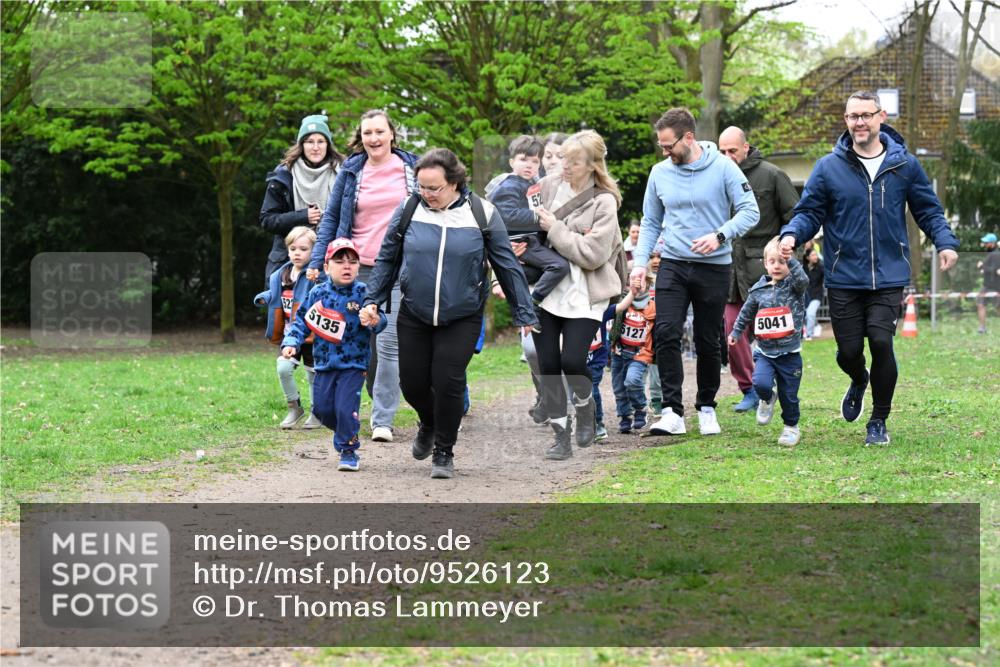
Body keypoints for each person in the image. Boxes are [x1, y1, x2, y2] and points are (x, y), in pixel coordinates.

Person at [779, 90, 959, 446]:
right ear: (845, 121)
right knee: (848, 352)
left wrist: (946, 242)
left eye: (865, 115)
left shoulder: (904, 164)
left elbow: (928, 210)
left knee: (880, 341)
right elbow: (809, 211)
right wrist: (791, 235)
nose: (858, 122)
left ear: (881, 117)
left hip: (890, 272)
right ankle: (859, 378)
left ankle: (878, 420)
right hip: (845, 275)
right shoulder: (828, 167)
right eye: (852, 117)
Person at [361, 148, 536, 479]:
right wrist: (373, 299)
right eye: (422, 187)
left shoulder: (483, 213)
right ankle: (428, 421)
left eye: (434, 188)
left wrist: (524, 312)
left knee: (448, 380)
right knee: (411, 383)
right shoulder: (410, 209)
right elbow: (387, 258)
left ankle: (444, 451)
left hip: (462, 314)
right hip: (415, 311)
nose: (427, 195)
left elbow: (507, 265)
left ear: (455, 182)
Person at [631, 107, 760, 437]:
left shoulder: (723, 168)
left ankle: (706, 407)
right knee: (666, 331)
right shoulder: (660, 172)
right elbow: (650, 222)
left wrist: (720, 235)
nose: (664, 152)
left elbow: (750, 211)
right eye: (661, 146)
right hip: (673, 263)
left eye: (668, 145)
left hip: (714, 266)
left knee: (707, 339)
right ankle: (672, 411)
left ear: (688, 137)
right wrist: (640, 264)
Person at [307, 110, 419, 444]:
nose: (373, 138)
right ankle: (375, 399)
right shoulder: (352, 170)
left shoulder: (412, 168)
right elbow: (330, 218)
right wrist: (318, 258)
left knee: (389, 343)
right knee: (362, 342)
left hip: (401, 267)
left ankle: (382, 418)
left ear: (392, 135)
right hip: (359, 269)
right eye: (367, 133)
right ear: (361, 136)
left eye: (379, 132)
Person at [532, 129, 626, 460]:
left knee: (572, 361)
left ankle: (586, 409)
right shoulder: (547, 186)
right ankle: (561, 436)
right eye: (563, 158)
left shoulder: (604, 202)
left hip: (586, 291)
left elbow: (592, 255)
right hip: (546, 288)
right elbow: (529, 236)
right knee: (548, 364)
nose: (565, 166)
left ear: (592, 164)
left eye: (574, 161)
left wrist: (556, 229)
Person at [282, 239, 387, 472]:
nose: (346, 266)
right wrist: (291, 343)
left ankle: (348, 450)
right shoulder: (317, 293)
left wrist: (374, 320)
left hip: (354, 364)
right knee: (321, 409)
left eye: (352, 262)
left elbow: (381, 323)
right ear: (327, 267)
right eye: (339, 261)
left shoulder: (364, 293)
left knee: (345, 408)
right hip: (324, 364)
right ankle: (344, 431)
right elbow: (301, 323)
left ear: (359, 267)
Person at [718, 126, 800, 413]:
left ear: (746, 147)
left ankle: (776, 384)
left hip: (768, 272)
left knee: (774, 334)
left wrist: (786, 256)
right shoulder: (715, 177)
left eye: (732, 150)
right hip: (730, 272)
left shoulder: (772, 175)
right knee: (732, 331)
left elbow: (795, 218)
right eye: (722, 151)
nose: (727, 157)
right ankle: (750, 389)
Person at [728, 237, 809, 446]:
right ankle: (767, 398)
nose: (777, 266)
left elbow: (803, 280)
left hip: (790, 354)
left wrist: (790, 258)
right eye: (772, 261)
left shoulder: (795, 286)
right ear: (765, 264)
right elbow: (745, 313)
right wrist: (736, 332)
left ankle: (791, 427)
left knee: (789, 395)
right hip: (765, 352)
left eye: (781, 262)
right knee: (761, 383)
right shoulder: (758, 290)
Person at [487, 135, 570, 319]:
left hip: (533, 243)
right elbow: (506, 215)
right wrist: (539, 217)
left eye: (534, 161)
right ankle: (532, 303)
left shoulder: (532, 183)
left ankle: (511, 281)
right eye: (523, 160)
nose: (529, 165)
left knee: (535, 273)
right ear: (511, 162)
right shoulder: (510, 184)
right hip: (522, 242)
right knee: (559, 266)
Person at [260, 114, 342, 285]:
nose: (315, 147)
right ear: (301, 145)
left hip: (330, 262)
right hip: (287, 264)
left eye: (321, 141)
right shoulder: (283, 176)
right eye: (310, 141)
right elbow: (267, 220)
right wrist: (302, 217)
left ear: (328, 145)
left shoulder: (343, 174)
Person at [254, 226, 322, 429]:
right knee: (283, 368)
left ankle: (317, 412)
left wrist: (318, 279)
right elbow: (276, 294)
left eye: (303, 249)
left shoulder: (315, 275)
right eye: (293, 249)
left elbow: (325, 292)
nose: (297, 253)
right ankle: (294, 407)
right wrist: (264, 297)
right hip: (288, 334)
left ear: (313, 251)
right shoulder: (281, 274)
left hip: (311, 334)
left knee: (313, 374)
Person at [610, 274, 655, 433]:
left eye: (642, 282)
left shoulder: (652, 305)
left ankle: (640, 407)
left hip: (640, 353)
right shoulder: (622, 302)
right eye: (633, 281)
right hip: (619, 352)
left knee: (632, 381)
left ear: (649, 284)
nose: (637, 284)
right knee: (619, 388)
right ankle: (625, 417)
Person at [977, 233, 1000, 334]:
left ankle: (982, 327)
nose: (985, 244)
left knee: (998, 307)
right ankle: (982, 328)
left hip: (995, 286)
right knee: (980, 303)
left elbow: (994, 270)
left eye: (986, 242)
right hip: (987, 286)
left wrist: (982, 266)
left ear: (992, 243)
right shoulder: (991, 253)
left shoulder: (995, 254)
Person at [804, 247, 825, 339]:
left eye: (816, 254)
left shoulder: (821, 267)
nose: (815, 256)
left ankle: (809, 335)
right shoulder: (803, 268)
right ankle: (816, 325)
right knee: (806, 315)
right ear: (808, 257)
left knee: (810, 314)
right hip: (806, 296)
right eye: (813, 255)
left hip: (817, 296)